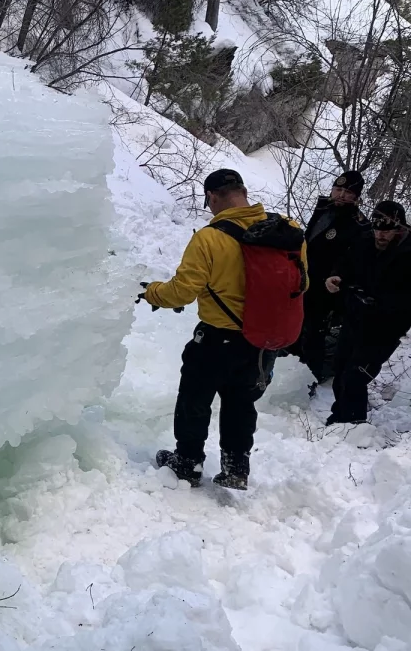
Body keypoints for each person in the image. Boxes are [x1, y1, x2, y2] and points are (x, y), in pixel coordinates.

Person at [140, 169, 308, 490]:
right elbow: (302, 283)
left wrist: (152, 292)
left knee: (195, 399)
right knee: (241, 402)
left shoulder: (209, 237)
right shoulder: (288, 232)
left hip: (218, 339)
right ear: (243, 192)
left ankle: (188, 463)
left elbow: (183, 291)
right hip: (262, 340)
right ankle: (236, 467)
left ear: (213, 197)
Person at [324, 200, 411, 425]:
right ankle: (341, 418)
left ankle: (352, 424)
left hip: (385, 328)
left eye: (387, 231)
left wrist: (380, 304)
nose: (380, 235)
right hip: (355, 318)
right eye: (377, 229)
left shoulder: (408, 253)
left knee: (356, 375)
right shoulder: (364, 241)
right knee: (340, 369)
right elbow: (345, 263)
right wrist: (337, 277)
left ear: (399, 228)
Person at [289, 171, 369, 388]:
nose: (341, 195)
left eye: (348, 192)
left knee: (314, 330)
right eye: (338, 189)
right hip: (304, 277)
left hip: (328, 286)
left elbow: (353, 259)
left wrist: (337, 277)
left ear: (357, 197)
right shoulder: (324, 209)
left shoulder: (359, 225)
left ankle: (309, 376)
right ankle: (288, 366)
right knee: (295, 322)